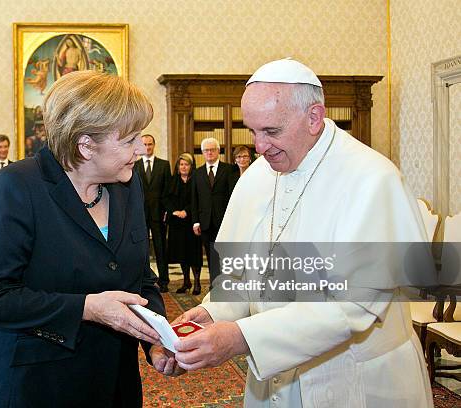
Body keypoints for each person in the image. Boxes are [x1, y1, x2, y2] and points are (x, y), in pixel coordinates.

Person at [173, 59, 433, 407]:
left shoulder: (371, 179)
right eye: (252, 131)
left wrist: (242, 338)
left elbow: (351, 305)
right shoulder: (257, 176)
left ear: (314, 117)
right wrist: (213, 313)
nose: (258, 147)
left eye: (271, 131)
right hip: (273, 382)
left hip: (357, 380)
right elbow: (241, 273)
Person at [0, 71, 182, 408]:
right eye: (129, 140)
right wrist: (87, 308)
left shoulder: (128, 185)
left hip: (115, 381)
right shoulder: (18, 186)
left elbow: (141, 278)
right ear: (86, 145)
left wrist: (155, 341)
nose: (140, 148)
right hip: (39, 385)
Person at [191, 137, 234, 288]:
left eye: (212, 150)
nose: (209, 153)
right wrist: (195, 221)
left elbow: (232, 197)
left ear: (218, 151)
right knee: (211, 255)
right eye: (206, 150)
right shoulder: (197, 173)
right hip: (205, 221)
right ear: (202, 153)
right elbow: (194, 199)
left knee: (226, 254)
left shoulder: (229, 169)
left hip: (224, 220)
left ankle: (227, 282)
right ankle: (214, 283)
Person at [135, 134, 172, 292]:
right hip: (140, 215)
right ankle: (145, 280)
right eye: (145, 144)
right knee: (142, 249)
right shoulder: (134, 166)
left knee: (160, 248)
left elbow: (168, 191)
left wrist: (167, 212)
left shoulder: (163, 165)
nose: (148, 147)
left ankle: (164, 281)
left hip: (158, 215)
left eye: (150, 144)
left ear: (154, 145)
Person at [165, 153, 203, 294]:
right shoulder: (173, 180)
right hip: (177, 224)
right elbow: (166, 198)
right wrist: (174, 211)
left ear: (191, 166)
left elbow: (197, 199)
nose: (183, 167)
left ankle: (197, 282)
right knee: (182, 253)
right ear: (178, 166)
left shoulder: (196, 180)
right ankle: (186, 281)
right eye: (181, 164)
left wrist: (186, 211)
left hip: (192, 222)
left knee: (194, 254)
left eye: (186, 164)